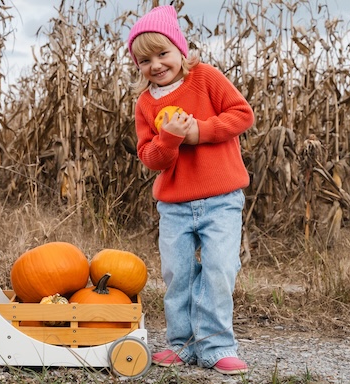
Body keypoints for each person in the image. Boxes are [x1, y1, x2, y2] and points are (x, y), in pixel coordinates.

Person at [127, 5, 255, 375]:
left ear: (181, 50)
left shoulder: (205, 78)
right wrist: (169, 140)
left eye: (162, 53)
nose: (155, 64)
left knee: (219, 268)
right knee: (177, 273)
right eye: (144, 59)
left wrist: (197, 132)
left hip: (221, 199)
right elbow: (150, 157)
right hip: (175, 205)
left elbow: (241, 114)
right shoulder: (146, 103)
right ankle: (181, 343)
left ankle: (216, 345)